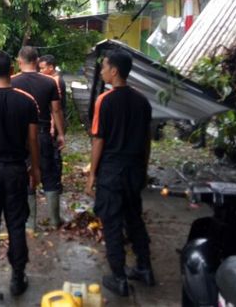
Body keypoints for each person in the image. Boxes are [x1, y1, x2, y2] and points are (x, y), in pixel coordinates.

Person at [85, 50, 154, 297]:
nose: (102, 71)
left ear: (114, 71)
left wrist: (92, 173)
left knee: (112, 224)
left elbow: (98, 141)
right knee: (134, 218)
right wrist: (144, 169)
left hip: (112, 172)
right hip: (134, 169)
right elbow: (147, 141)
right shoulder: (142, 100)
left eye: (104, 67)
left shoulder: (105, 100)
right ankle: (145, 268)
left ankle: (119, 276)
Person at [0, 51, 40, 297]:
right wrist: (35, 169)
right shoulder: (27, 100)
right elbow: (32, 140)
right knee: (16, 225)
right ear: (11, 70)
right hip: (17, 170)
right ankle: (18, 277)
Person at [12, 46, 65, 229]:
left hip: (21, 137)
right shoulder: (50, 82)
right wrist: (61, 134)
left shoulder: (13, 82)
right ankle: (55, 220)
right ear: (36, 61)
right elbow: (56, 110)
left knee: (26, 176)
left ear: (20, 61)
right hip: (43, 133)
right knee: (49, 174)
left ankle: (30, 224)